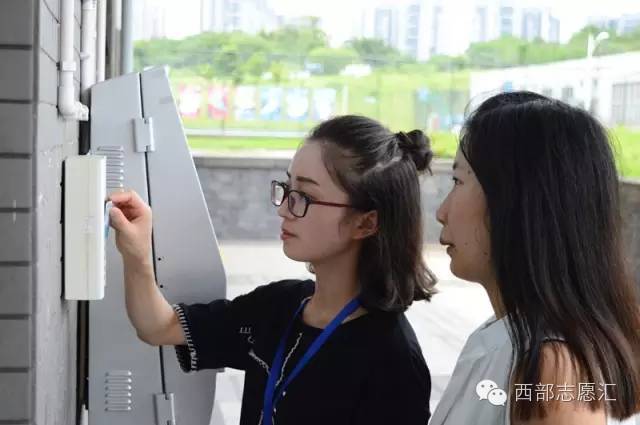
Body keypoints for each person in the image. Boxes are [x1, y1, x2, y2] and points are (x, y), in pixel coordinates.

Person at [108, 115, 437, 425]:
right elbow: (159, 327)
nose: (284, 209)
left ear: (366, 223)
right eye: (287, 188)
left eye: (304, 196)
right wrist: (137, 254)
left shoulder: (393, 358)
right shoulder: (280, 305)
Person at [430, 91, 640, 425]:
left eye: (458, 181)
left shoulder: (552, 368)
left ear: (517, 203)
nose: (441, 212)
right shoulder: (506, 336)